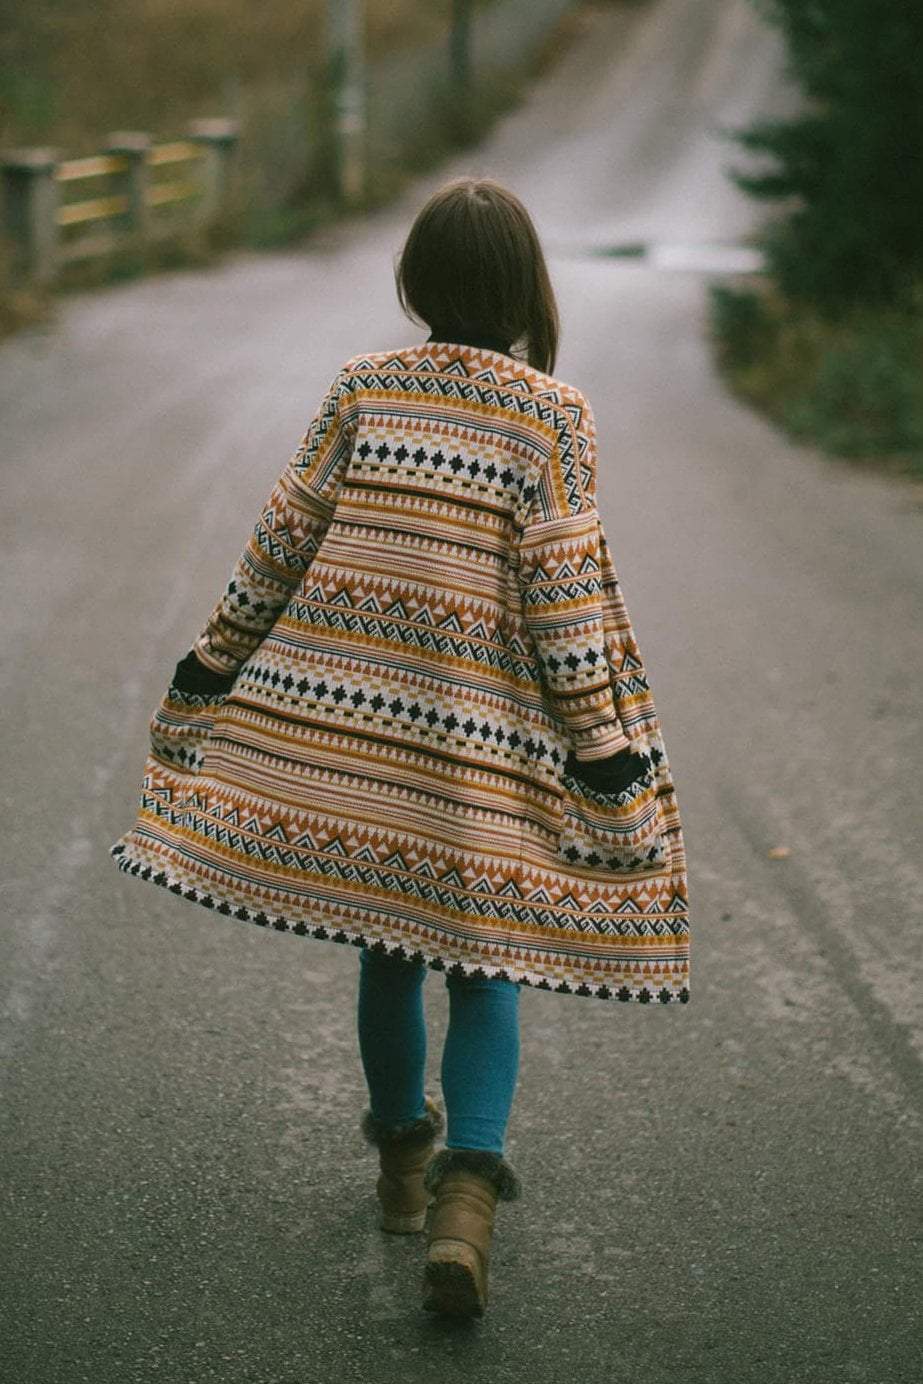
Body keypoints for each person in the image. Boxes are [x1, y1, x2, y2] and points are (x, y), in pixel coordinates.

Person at [110, 176, 690, 1320]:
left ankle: (398, 1159)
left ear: (416, 283)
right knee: (484, 964)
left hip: (363, 745)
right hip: (483, 748)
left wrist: (214, 658)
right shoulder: (551, 415)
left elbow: (279, 538)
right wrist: (605, 748)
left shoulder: (363, 391)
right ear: (526, 286)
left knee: (386, 953)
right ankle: (465, 1202)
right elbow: (562, 602)